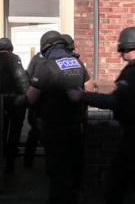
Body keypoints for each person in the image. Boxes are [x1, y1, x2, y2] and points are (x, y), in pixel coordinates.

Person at [68, 26, 135, 204]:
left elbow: (115, 101)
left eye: (122, 49)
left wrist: (82, 96)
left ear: (128, 46)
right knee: (127, 179)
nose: (120, 54)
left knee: (134, 181)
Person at [19, 30, 90, 204]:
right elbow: (89, 88)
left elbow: (31, 97)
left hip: (54, 127)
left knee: (57, 170)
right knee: (74, 166)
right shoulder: (78, 63)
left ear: (46, 47)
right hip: (75, 125)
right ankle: (76, 196)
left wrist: (13, 102)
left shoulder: (45, 66)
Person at [0, 37, 29, 172]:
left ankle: (1, 159)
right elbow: (21, 78)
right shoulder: (13, 58)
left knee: (2, 131)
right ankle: (10, 164)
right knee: (14, 132)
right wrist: (27, 97)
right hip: (15, 102)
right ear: (11, 49)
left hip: (1, 102)